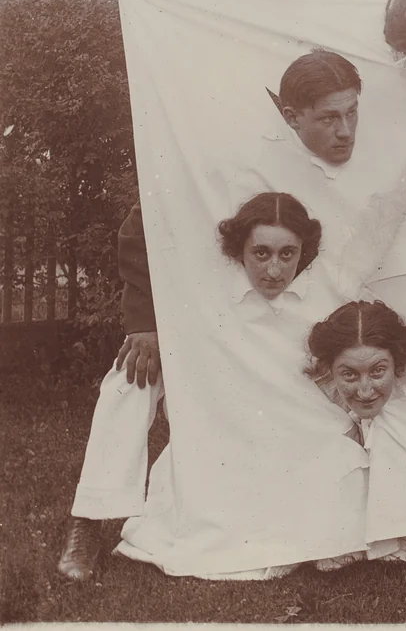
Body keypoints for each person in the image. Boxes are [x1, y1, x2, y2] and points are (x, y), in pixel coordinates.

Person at [56, 192, 323, 580]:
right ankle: (89, 518)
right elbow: (139, 226)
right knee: (131, 375)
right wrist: (145, 324)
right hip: (200, 311)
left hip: (262, 332)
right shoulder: (204, 148)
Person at [305, 299, 406, 568]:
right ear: (329, 371)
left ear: (397, 366)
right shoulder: (314, 401)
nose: (366, 390)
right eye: (349, 375)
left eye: (378, 371)